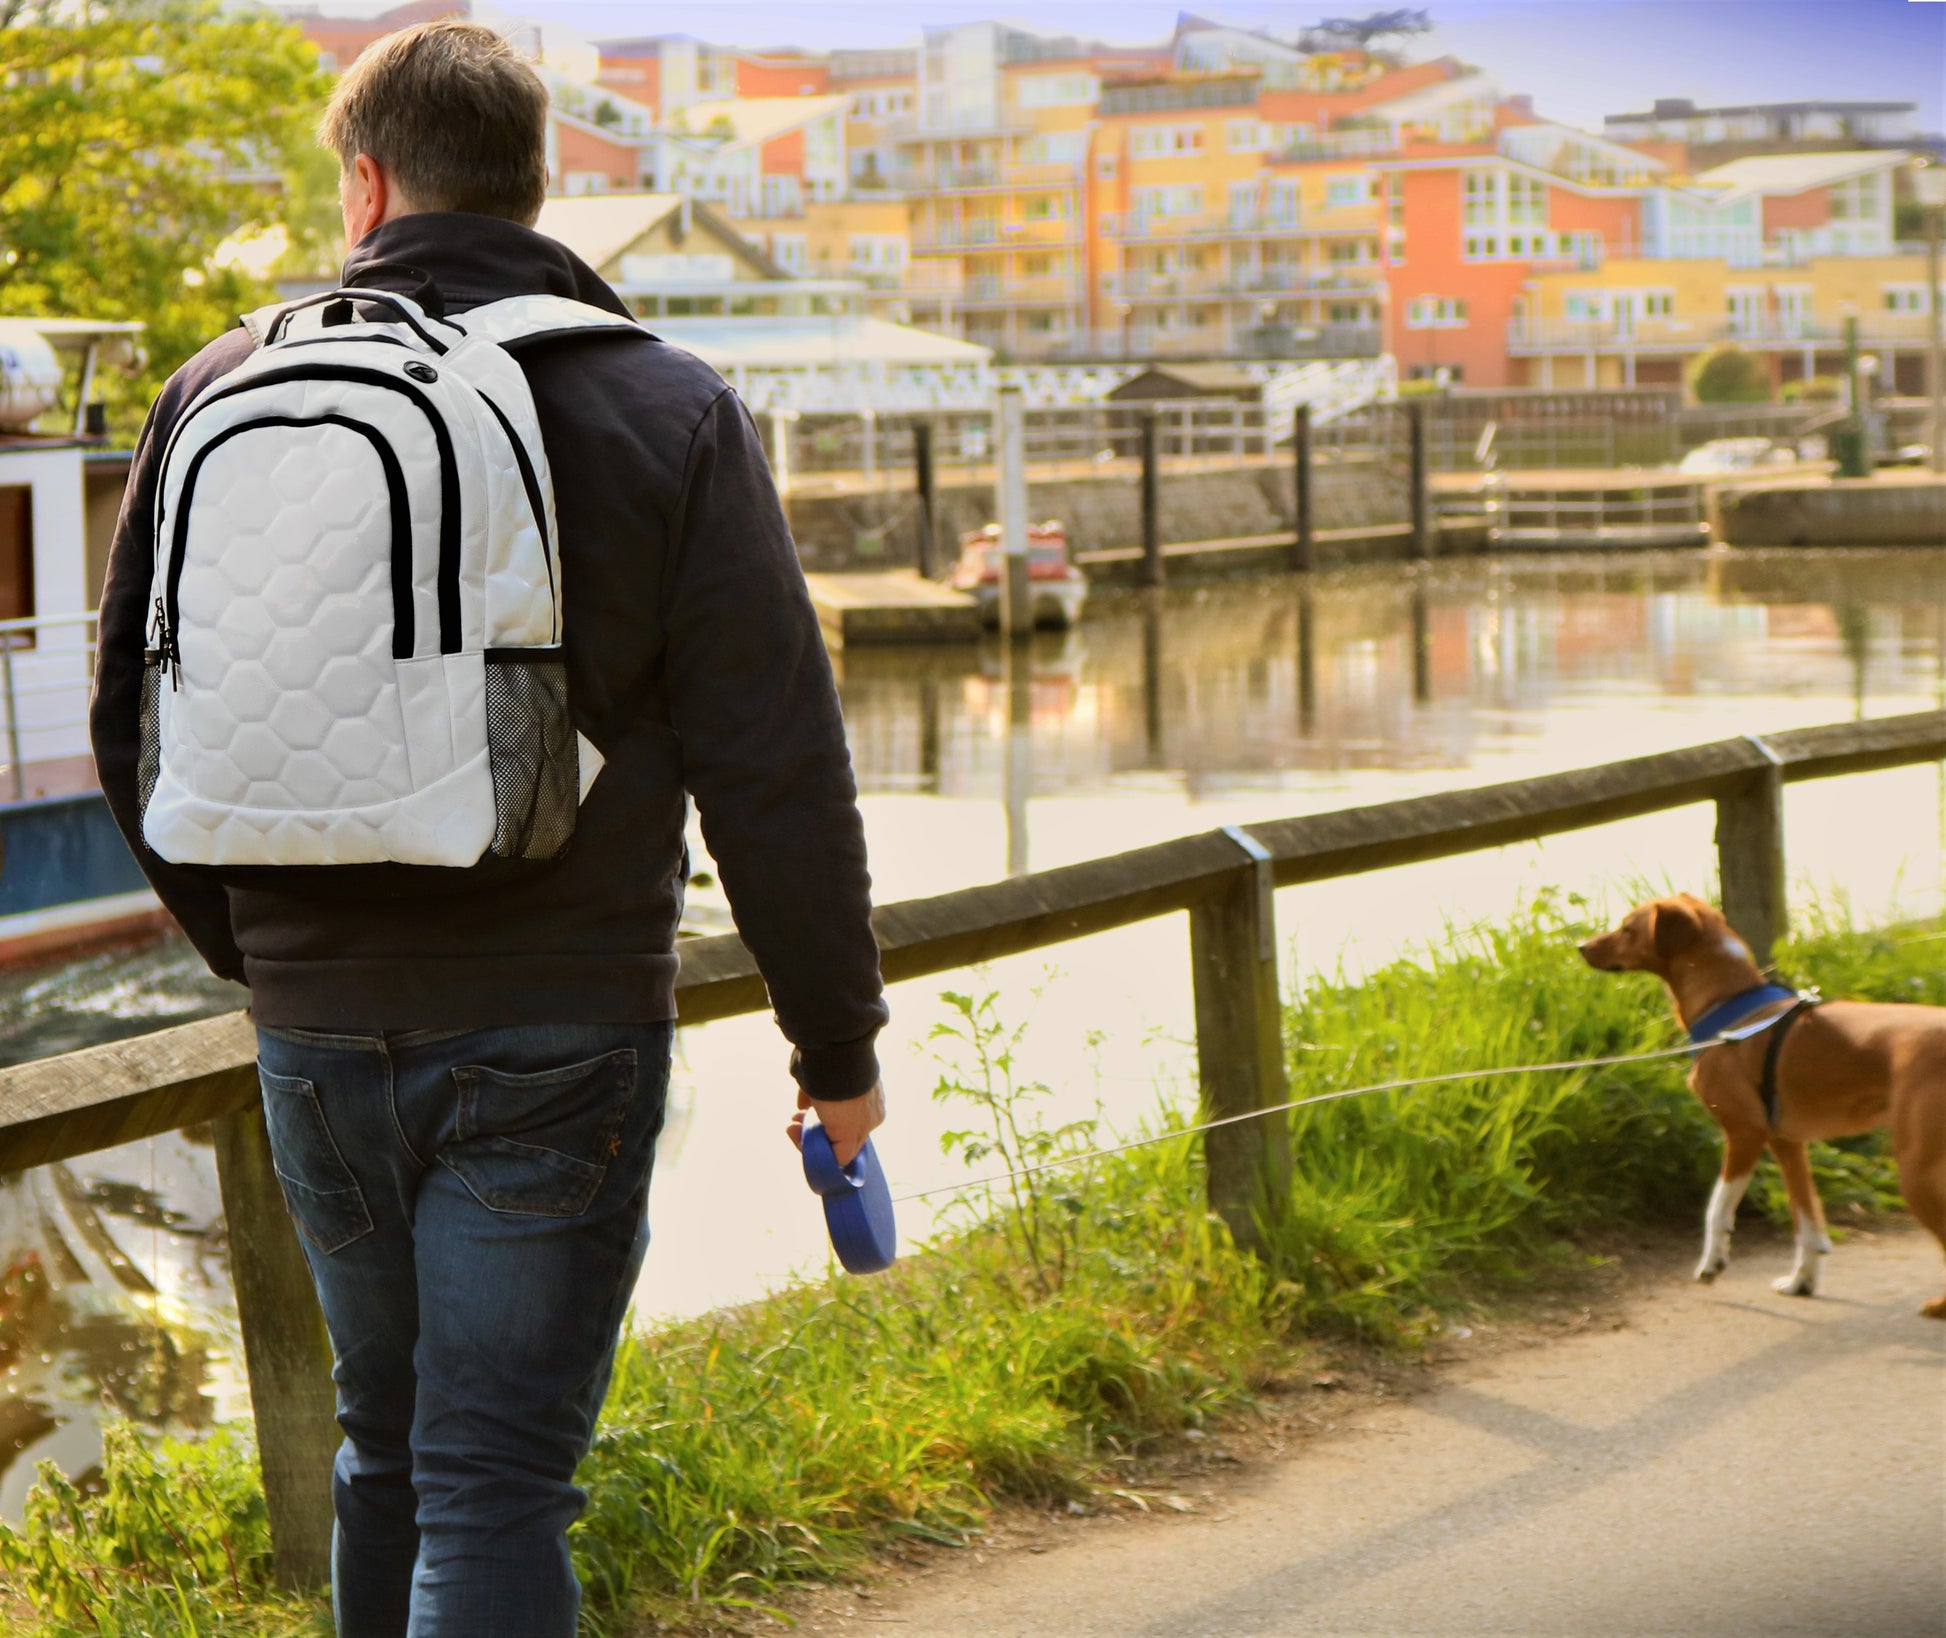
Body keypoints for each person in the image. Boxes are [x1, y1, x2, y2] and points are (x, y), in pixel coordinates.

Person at [89, 20, 887, 1636]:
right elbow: (775, 769)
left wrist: (275, 955)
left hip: (316, 1024)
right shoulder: (666, 403)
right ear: (538, 195)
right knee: (496, 1481)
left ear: (364, 185)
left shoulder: (213, 388)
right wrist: (835, 1046)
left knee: (387, 1451)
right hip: (562, 1015)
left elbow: (131, 726)